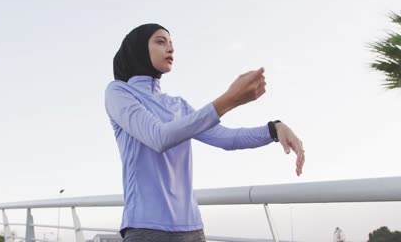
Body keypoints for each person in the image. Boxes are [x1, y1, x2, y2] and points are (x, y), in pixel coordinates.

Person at [105, 23, 305, 242]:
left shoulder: (178, 105)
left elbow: (227, 138)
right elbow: (158, 137)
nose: (170, 49)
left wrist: (274, 128)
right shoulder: (118, 92)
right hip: (145, 228)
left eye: (171, 44)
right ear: (139, 49)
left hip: (192, 229)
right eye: (160, 42)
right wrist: (228, 100)